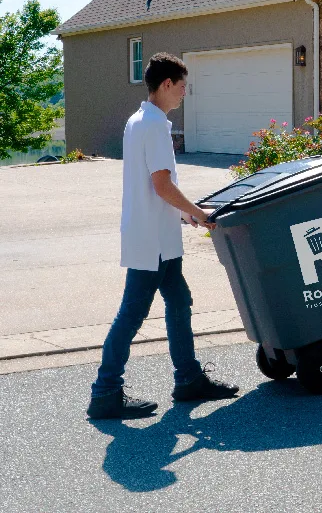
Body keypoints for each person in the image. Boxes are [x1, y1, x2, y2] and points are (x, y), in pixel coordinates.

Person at [87, 52, 238, 420]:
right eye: (183, 87)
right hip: (152, 242)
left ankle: (188, 379)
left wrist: (184, 213)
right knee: (131, 315)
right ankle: (105, 392)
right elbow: (161, 184)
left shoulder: (140, 120)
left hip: (159, 238)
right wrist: (199, 214)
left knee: (179, 301)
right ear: (167, 84)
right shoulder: (153, 125)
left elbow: (157, 186)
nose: (185, 94)